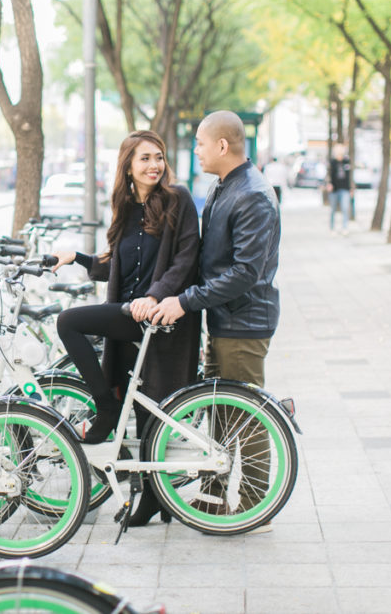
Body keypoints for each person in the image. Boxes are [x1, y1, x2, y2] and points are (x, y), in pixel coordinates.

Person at [51, 130, 200, 526]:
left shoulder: (177, 200)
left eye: (159, 157)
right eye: (145, 159)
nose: (154, 165)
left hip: (159, 315)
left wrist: (155, 296)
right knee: (144, 403)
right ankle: (153, 497)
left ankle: (106, 407)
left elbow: (186, 259)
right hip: (129, 315)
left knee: (70, 322)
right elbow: (114, 264)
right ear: (128, 167)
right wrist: (78, 257)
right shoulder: (125, 207)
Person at [150, 112, 281, 521]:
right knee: (220, 410)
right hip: (225, 319)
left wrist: (186, 301)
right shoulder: (227, 185)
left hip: (244, 323)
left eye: (201, 144)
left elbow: (246, 272)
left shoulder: (253, 195)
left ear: (223, 146)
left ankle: (256, 508)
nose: (196, 151)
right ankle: (213, 495)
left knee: (248, 417)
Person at [326, 145, 353, 235]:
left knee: (345, 208)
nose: (339, 155)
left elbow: (349, 176)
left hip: (345, 189)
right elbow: (328, 175)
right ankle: (332, 228)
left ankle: (345, 228)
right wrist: (328, 184)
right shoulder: (332, 163)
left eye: (341, 153)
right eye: (338, 153)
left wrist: (351, 188)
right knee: (333, 209)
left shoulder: (347, 162)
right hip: (334, 189)